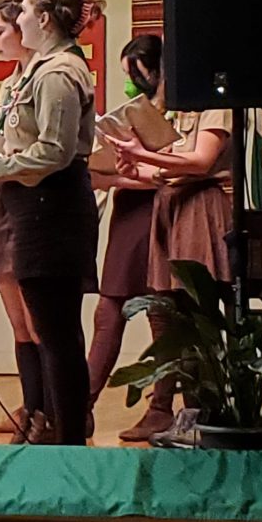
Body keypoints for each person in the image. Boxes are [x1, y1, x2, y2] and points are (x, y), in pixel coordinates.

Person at [0, 0, 103, 446]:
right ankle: (60, 434)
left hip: (54, 207)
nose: (21, 19)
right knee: (51, 332)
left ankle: (68, 440)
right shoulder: (39, 70)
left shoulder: (58, 73)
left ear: (45, 20)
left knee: (57, 334)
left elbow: (55, 150)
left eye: (27, 11)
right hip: (34, 206)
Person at [105, 40, 234, 447]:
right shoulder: (170, 107)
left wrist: (147, 157)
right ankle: (179, 413)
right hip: (169, 207)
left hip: (200, 209)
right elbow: (164, 172)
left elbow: (200, 161)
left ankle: (206, 414)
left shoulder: (214, 102)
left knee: (197, 316)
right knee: (168, 315)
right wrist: (129, 168)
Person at [85, 36, 162, 441]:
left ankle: (162, 408)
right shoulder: (134, 112)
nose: (131, 81)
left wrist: (121, 176)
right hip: (128, 214)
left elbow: (173, 171)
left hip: (163, 212)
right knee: (108, 311)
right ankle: (81, 405)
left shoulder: (182, 111)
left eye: (135, 72)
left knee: (162, 312)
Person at [0, 0, 45, 438]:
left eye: (0, 31)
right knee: (19, 323)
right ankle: (31, 405)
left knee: (41, 321)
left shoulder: (47, 75)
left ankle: (53, 410)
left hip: (32, 201)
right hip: (2, 199)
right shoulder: (9, 85)